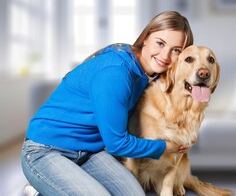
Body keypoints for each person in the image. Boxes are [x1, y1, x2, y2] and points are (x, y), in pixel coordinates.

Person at [21, 11, 194, 196]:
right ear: (146, 38)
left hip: (89, 152)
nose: (166, 55)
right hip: (45, 150)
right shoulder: (116, 73)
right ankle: (41, 189)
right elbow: (117, 144)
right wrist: (165, 147)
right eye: (160, 43)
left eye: (176, 50)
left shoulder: (147, 73)